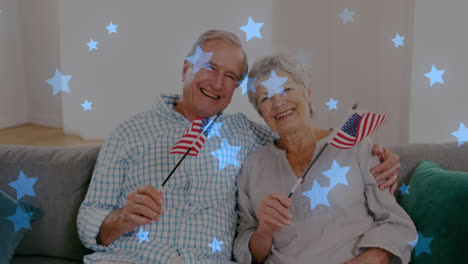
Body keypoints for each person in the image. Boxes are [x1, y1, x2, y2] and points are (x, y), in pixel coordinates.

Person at [77, 30, 401, 264]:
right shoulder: (129, 132)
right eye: (210, 67)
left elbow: (298, 137)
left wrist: (374, 151)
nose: (218, 83)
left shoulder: (248, 137)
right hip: (131, 259)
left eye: (230, 76)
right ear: (185, 68)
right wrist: (121, 219)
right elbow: (89, 218)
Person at [233, 55, 417, 264]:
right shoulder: (252, 166)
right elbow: (242, 252)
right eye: (265, 98)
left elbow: (398, 224)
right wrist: (264, 231)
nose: (278, 103)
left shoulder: (355, 146)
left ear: (308, 92)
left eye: (286, 90)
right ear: (259, 111)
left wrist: (372, 258)